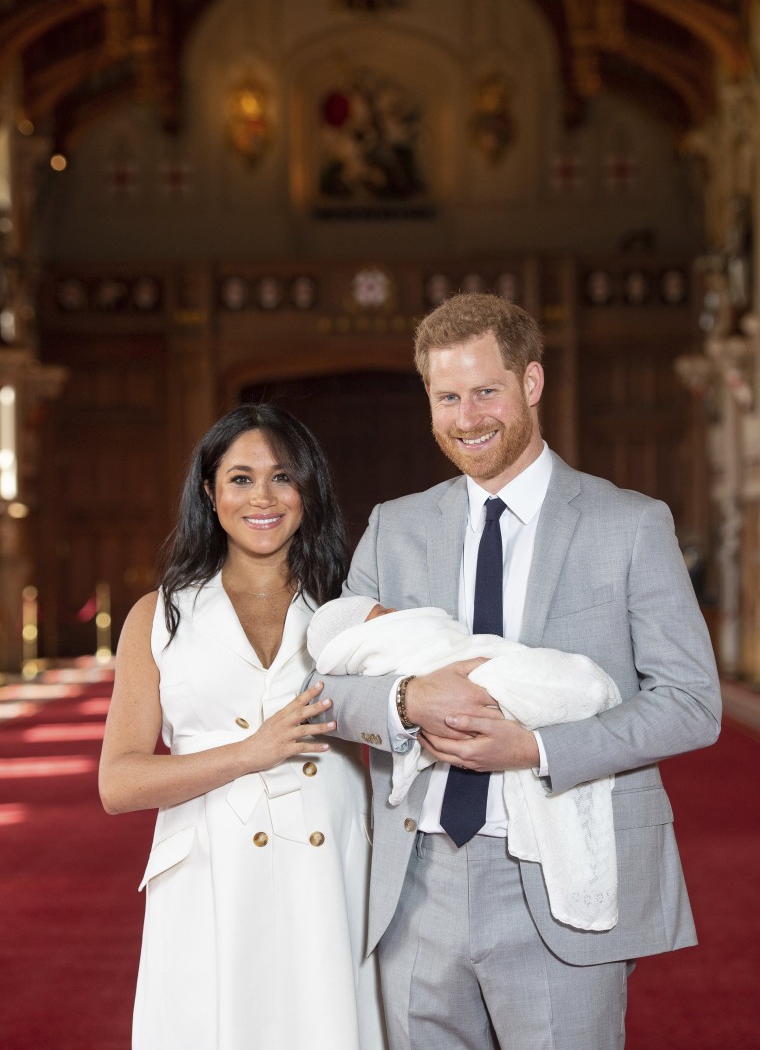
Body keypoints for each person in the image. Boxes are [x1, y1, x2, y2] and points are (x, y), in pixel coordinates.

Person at [315, 293, 722, 1050]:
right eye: (446, 397)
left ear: (531, 383)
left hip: (557, 873)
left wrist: (537, 749)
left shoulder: (630, 524)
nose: (466, 417)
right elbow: (328, 686)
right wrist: (406, 698)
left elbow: (693, 701)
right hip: (416, 882)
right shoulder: (394, 526)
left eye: (485, 390)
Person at [99, 403, 387, 1050]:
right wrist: (248, 751)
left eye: (282, 477)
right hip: (208, 871)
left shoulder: (350, 608)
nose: (263, 496)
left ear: (307, 488)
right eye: (240, 477)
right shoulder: (159, 615)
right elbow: (117, 782)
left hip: (330, 871)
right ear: (209, 490)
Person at [307, 595, 621, 932]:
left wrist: (536, 748)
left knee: (570, 683)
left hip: (530, 859)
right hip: (418, 865)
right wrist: (408, 700)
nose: (396, 613)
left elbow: (682, 698)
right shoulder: (382, 547)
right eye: (384, 615)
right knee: (561, 685)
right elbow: (320, 692)